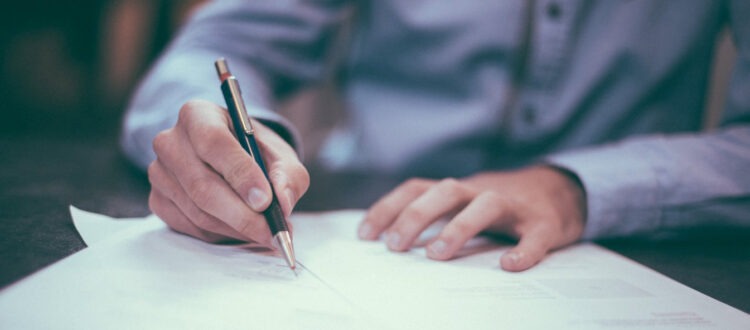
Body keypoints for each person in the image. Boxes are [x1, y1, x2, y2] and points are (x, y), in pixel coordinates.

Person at [121, 1, 750, 272]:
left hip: (635, 245)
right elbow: (209, 52)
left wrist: (577, 189)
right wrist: (223, 141)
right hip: (369, 224)